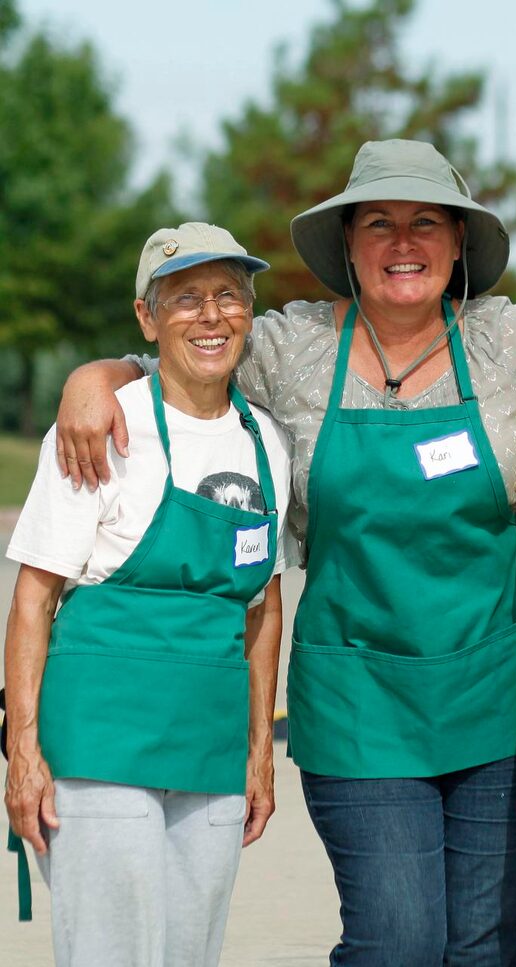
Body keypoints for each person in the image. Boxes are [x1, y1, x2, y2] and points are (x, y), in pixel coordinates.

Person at [52, 141, 516, 966]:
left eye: (425, 223)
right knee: (398, 941)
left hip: (497, 700)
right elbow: (174, 358)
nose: (402, 242)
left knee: (483, 947)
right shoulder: (292, 347)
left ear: (458, 245)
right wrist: (91, 379)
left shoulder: (510, 342)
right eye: (378, 223)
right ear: (348, 244)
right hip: (358, 703)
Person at [3, 223, 298, 967]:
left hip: (210, 749)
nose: (211, 315)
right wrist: (23, 752)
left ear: (250, 314)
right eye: (186, 298)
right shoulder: (100, 428)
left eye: (229, 296)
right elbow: (34, 598)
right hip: (102, 739)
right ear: (146, 318)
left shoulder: (267, 441)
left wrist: (260, 749)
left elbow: (263, 609)